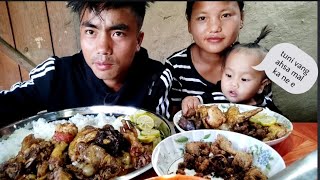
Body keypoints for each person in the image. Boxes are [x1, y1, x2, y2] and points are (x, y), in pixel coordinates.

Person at [0, 1, 168, 127]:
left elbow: (163, 141)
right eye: (90, 32)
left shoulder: (156, 80)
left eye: (118, 33)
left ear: (138, 41)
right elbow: (9, 104)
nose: (102, 48)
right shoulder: (56, 75)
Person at [158, 1, 246, 119]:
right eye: (202, 18)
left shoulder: (253, 64)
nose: (214, 28)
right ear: (189, 24)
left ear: (242, 18)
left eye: (225, 15)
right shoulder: (176, 68)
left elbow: (265, 114)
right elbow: (174, 122)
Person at [181, 25, 282, 117]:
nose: (233, 84)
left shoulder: (266, 106)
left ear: (261, 86)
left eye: (244, 79)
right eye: (229, 75)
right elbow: (199, 101)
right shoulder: (217, 99)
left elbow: (283, 125)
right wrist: (192, 100)